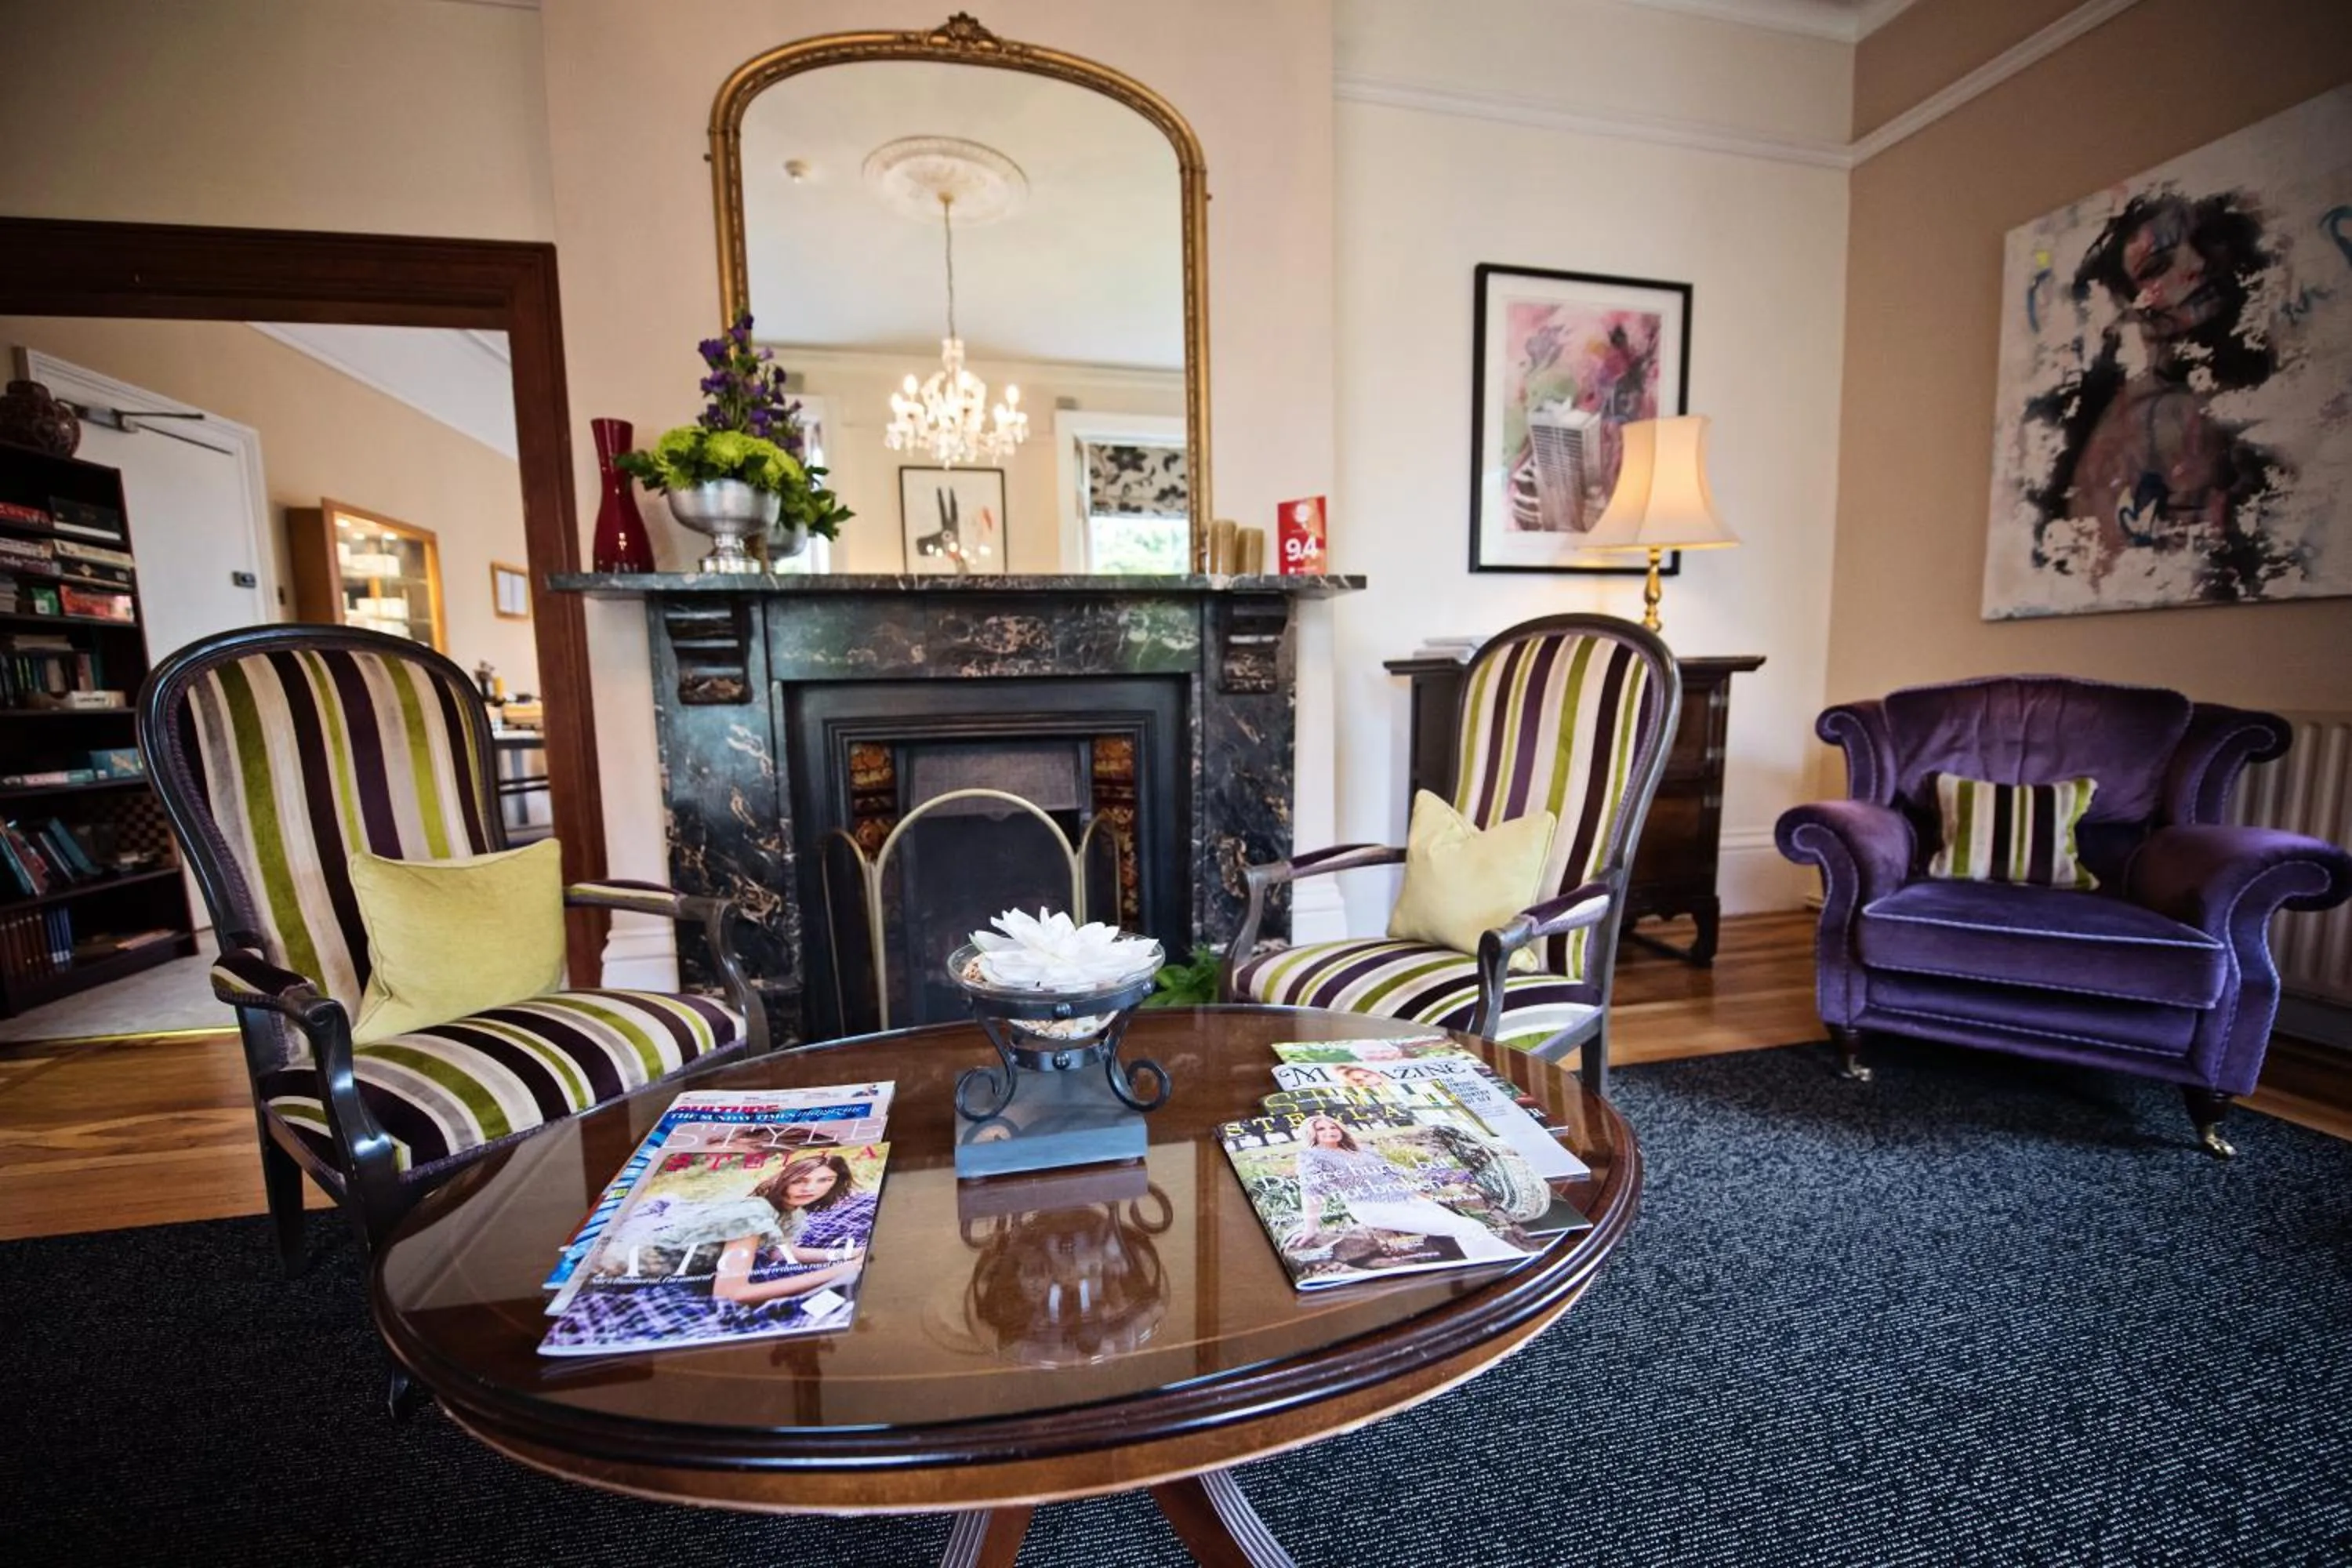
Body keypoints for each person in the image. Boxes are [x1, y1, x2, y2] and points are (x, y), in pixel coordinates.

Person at [1285, 1115, 1525, 1265]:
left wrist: (1425, 1187)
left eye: (1332, 1126)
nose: (1330, 1131)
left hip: (1407, 1198)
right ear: (1312, 1135)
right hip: (1372, 1207)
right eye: (1322, 1129)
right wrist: (1310, 1227)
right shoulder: (1312, 1156)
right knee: (1466, 1227)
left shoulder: (1363, 1150)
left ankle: (1508, 1263)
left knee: (1474, 1226)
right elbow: (1311, 1191)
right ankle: (1504, 1268)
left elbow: (1395, 1172)